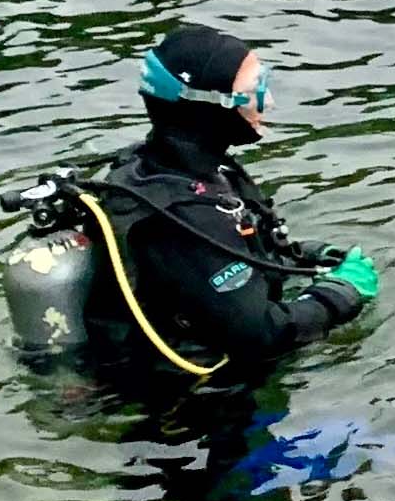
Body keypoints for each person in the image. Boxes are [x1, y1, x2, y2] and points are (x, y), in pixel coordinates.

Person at [69, 25, 376, 398]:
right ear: (207, 107)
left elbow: (244, 244)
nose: (268, 103)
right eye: (251, 92)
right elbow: (261, 335)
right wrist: (340, 294)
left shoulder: (184, 169)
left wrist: (307, 256)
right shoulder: (177, 217)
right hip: (202, 415)